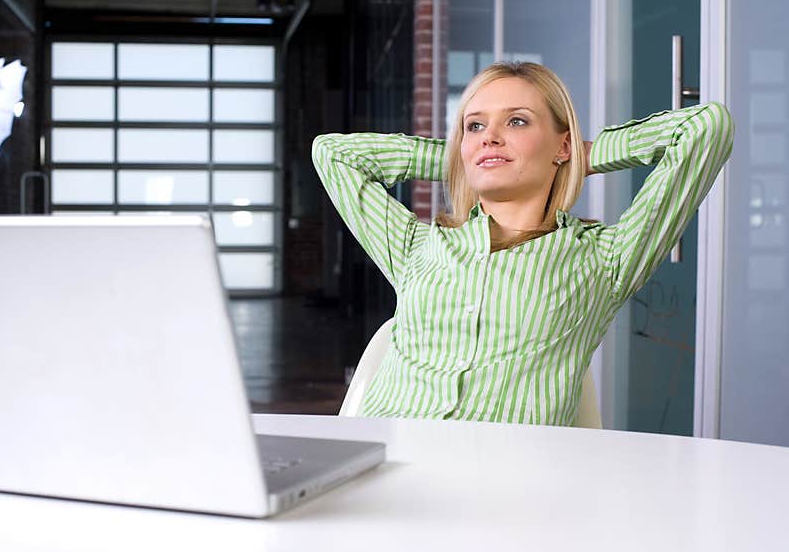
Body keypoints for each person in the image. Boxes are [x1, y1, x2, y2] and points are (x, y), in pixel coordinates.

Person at [312, 61, 734, 425]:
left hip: (511, 488)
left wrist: (589, 154)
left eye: (516, 121)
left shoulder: (605, 259)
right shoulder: (415, 246)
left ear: (562, 143)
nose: (489, 136)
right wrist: (466, 156)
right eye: (475, 125)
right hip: (390, 467)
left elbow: (705, 127)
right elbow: (332, 154)